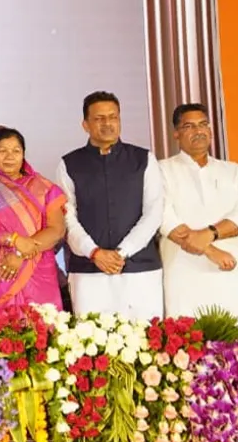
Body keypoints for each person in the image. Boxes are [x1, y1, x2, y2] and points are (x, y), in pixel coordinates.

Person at [56, 91, 164, 318]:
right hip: (88, 271)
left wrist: (122, 253)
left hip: (139, 269)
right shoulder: (70, 164)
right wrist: (94, 252)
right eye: (99, 118)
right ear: (85, 124)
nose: (108, 123)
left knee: (148, 344)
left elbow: (154, 212)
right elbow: (66, 216)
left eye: (113, 117)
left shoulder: (143, 159)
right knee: (90, 345)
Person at [159, 104, 238, 317]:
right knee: (186, 343)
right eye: (189, 126)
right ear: (176, 133)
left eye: (203, 125)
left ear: (210, 130)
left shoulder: (233, 170)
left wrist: (209, 233)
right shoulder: (161, 169)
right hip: (182, 271)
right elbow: (165, 218)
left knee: (236, 344)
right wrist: (210, 250)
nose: (198, 131)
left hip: (229, 271)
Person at [0, 128, 67, 310]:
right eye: (2, 151)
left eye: (16, 151)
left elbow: (56, 230)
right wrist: (13, 240)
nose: (10, 156)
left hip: (39, 273)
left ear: (23, 155)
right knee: (2, 333)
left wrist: (20, 253)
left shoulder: (44, 188)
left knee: (41, 328)